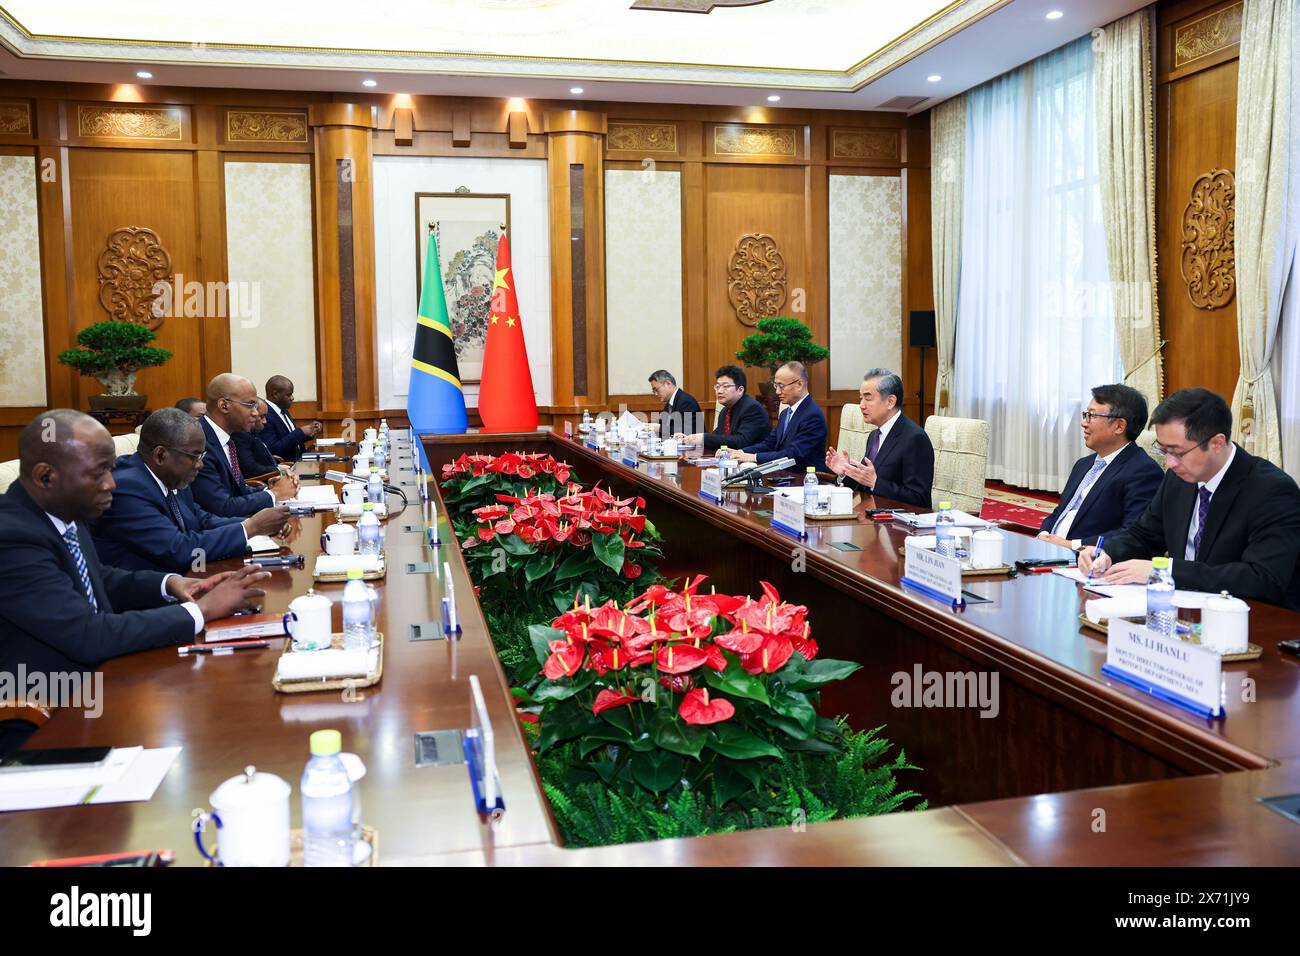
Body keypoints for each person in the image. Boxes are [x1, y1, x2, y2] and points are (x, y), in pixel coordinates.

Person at [0, 410, 269, 753]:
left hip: (105, 680)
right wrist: (200, 612)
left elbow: (99, 579)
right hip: (46, 715)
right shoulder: (12, 537)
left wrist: (171, 585)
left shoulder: (62, 510)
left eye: (110, 470)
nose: (111, 483)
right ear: (46, 476)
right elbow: (88, 634)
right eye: (98, 473)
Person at [1078, 388, 1300, 609]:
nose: (1170, 463)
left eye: (1177, 452)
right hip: (1180, 611)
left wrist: (1166, 570)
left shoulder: (1272, 490)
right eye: (1163, 450)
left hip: (1251, 620)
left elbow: (1262, 578)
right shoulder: (1178, 479)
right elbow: (1143, 535)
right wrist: (1107, 553)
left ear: (1216, 443)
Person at [92, 408, 288, 574]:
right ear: (161, 455)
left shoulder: (173, 477)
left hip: (191, 574)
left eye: (201, 455)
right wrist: (251, 527)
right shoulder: (127, 488)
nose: (200, 465)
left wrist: (261, 525)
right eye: (194, 456)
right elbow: (179, 550)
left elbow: (200, 520)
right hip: (150, 598)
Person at [1038, 384, 1163, 550]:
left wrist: (1072, 546)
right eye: (1085, 414)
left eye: (1092, 416)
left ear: (1119, 426)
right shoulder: (1083, 465)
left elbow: (1133, 534)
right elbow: (1060, 512)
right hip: (1048, 552)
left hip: (1090, 563)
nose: (1084, 423)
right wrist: (1044, 533)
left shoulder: (1143, 472)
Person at [824, 368, 933, 508]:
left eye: (868, 398)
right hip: (871, 518)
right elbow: (864, 485)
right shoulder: (874, 435)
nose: (861, 405)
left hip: (896, 526)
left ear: (890, 402)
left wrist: (876, 483)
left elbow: (920, 498)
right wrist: (846, 473)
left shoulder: (915, 438)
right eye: (861, 398)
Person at [192, 373, 298, 517]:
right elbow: (221, 507)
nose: (255, 413)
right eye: (250, 405)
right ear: (224, 405)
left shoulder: (227, 439)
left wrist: (268, 490)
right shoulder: (198, 441)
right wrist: (275, 494)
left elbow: (238, 491)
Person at [733, 362, 827, 471]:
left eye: (781, 386)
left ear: (799, 384)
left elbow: (793, 455)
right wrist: (741, 452)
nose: (777, 392)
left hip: (806, 479)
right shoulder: (785, 413)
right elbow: (770, 444)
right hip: (784, 476)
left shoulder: (812, 415)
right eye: (776, 386)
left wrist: (753, 457)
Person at [679, 365, 770, 452]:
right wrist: (689, 438)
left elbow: (741, 441)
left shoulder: (752, 408)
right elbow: (718, 437)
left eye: (725, 386)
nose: (719, 391)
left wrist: (703, 438)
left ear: (740, 390)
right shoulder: (725, 410)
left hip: (753, 463)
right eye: (717, 386)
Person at [263, 375, 323, 461]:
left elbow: (288, 437)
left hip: (299, 463)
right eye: (289, 395)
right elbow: (274, 448)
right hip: (285, 468)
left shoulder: (283, 410)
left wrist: (310, 430)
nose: (292, 398)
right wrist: (301, 432)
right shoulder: (265, 414)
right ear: (275, 394)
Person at [233, 399, 282, 480]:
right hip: (263, 483)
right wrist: (279, 470)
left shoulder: (254, 432)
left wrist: (279, 468)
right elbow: (250, 469)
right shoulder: (240, 435)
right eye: (262, 416)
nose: (265, 421)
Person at [649, 370, 702, 439]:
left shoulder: (686, 401)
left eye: (656, 390)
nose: (655, 394)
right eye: (654, 391)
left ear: (668, 384)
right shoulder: (669, 403)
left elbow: (688, 431)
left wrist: (659, 428)